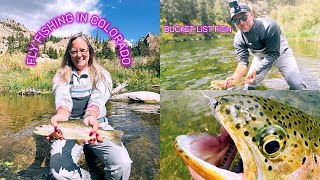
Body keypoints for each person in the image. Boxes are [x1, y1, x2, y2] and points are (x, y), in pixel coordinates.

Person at [48, 32, 132, 179]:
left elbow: (97, 99)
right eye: (74, 51)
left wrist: (91, 115)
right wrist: (61, 114)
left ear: (90, 51)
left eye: (83, 50)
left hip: (97, 126)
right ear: (69, 53)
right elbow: (63, 98)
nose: (78, 55)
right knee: (58, 173)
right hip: (69, 128)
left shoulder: (102, 74)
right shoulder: (61, 75)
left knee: (123, 164)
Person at [224, 0, 306, 90]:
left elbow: (274, 54)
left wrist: (256, 70)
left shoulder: (270, 26)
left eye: (243, 17)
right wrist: (235, 77)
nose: (241, 23)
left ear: (251, 15)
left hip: (282, 55)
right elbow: (243, 61)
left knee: (298, 86)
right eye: (236, 21)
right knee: (248, 87)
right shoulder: (238, 39)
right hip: (260, 59)